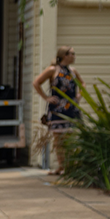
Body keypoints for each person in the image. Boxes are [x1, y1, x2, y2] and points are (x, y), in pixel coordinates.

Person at [31, 46, 82, 176]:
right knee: (59, 139)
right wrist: (46, 97)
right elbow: (36, 82)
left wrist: (79, 96)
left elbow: (83, 84)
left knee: (70, 138)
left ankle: (70, 166)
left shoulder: (73, 71)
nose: (74, 56)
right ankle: (61, 166)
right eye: (72, 54)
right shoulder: (53, 70)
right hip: (57, 109)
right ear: (65, 55)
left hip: (71, 108)